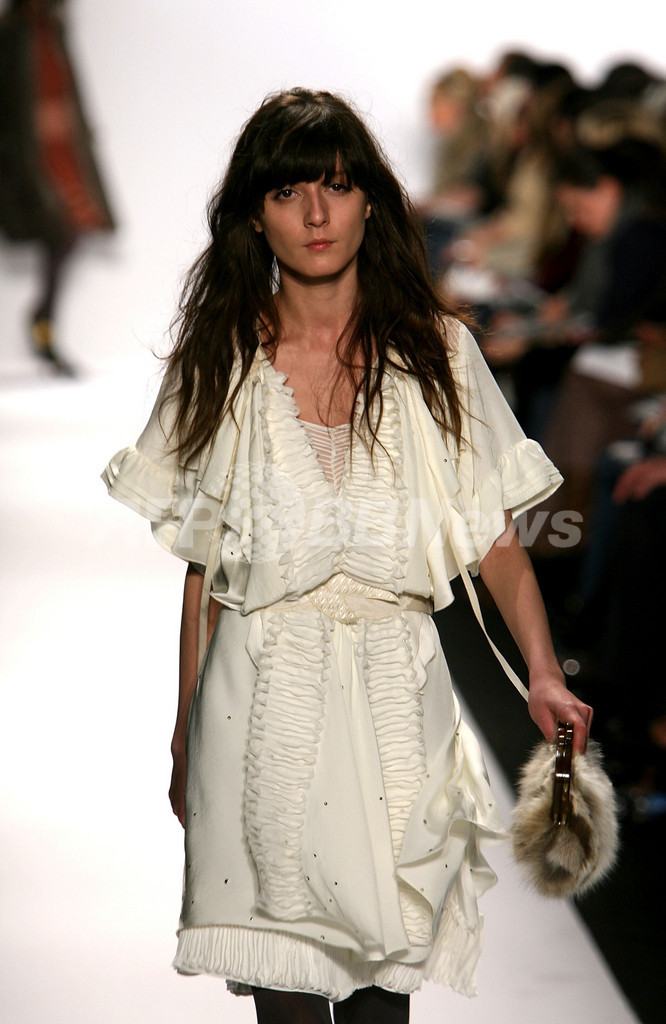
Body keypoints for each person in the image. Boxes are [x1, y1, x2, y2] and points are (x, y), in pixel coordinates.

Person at [102, 89, 592, 1024]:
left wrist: (541, 670)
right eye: (288, 192)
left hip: (393, 695)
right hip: (258, 699)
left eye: (336, 185)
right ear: (255, 216)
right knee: (285, 998)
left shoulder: (438, 357)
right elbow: (206, 569)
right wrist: (184, 727)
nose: (316, 214)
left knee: (380, 1007)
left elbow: (494, 537)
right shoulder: (221, 358)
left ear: (372, 200)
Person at [0, 0, 115, 374]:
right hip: (23, 156)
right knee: (61, 231)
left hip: (59, 152)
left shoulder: (54, 30)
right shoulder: (9, 34)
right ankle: (43, 325)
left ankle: (44, 324)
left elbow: (67, 88)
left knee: (68, 231)